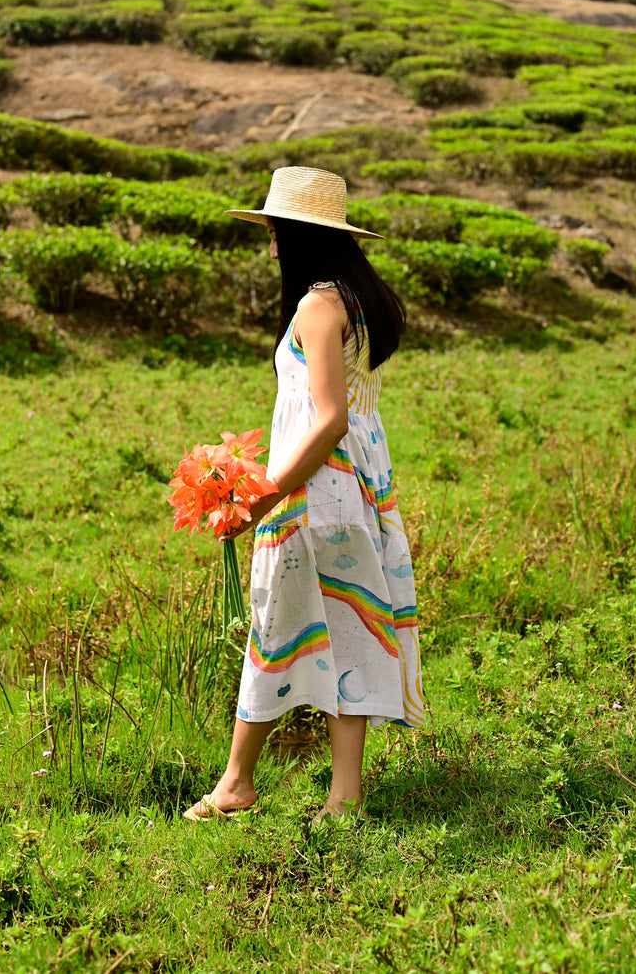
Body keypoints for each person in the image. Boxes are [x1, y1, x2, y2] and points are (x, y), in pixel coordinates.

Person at [183, 166, 424, 822]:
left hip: (313, 499)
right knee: (349, 632)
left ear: (295, 234)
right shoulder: (353, 298)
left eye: (275, 231)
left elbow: (328, 418)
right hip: (356, 495)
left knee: (271, 627)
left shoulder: (317, 306)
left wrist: (260, 496)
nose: (270, 244)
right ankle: (343, 797)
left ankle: (236, 783)